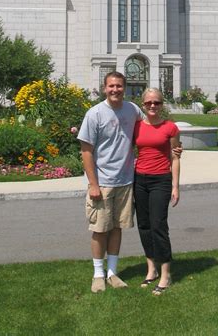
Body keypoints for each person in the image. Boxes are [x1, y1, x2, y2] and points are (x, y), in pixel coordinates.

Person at [78, 71, 142, 293]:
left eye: (119, 86)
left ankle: (113, 273)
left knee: (117, 227)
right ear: (104, 88)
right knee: (100, 229)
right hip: (103, 183)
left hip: (125, 181)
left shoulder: (133, 110)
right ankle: (98, 274)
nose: (115, 90)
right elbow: (86, 151)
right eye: (111, 86)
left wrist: (174, 144)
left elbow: (149, 129)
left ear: (125, 88)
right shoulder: (95, 113)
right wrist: (93, 184)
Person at [134, 88, 180, 295]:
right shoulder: (136, 127)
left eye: (157, 103)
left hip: (161, 180)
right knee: (144, 225)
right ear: (143, 104)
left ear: (162, 104)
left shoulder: (170, 127)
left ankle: (165, 274)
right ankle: (151, 269)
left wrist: (176, 186)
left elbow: (175, 157)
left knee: (158, 225)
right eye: (149, 103)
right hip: (139, 180)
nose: (153, 106)